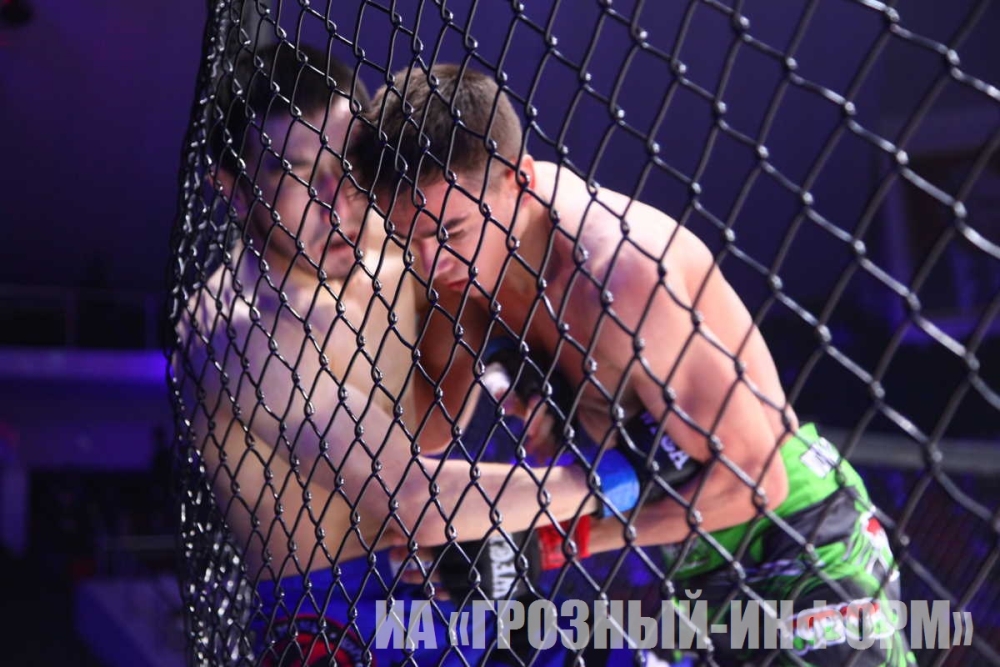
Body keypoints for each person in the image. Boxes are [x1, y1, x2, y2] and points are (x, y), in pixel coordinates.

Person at [356, 63, 917, 666]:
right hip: (701, 568)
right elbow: (430, 428)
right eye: (408, 237)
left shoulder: (622, 276)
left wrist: (547, 541)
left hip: (799, 540)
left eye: (452, 231)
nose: (430, 260)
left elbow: (756, 483)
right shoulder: (463, 256)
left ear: (520, 182)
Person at [171, 44, 655, 667]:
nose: (336, 201)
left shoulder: (399, 244)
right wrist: (623, 474)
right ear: (234, 190)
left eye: (347, 164)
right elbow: (414, 498)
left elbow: (434, 419)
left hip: (445, 581)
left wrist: (510, 365)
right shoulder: (239, 332)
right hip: (334, 619)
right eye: (296, 174)